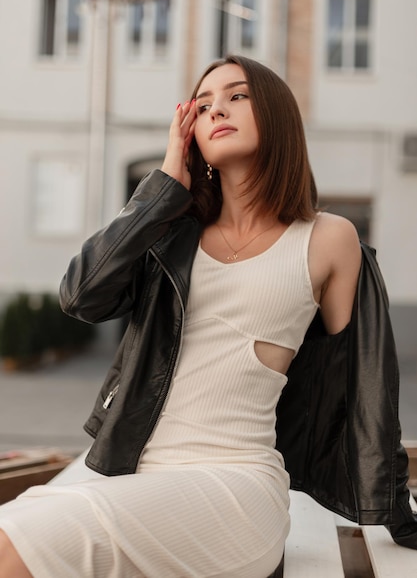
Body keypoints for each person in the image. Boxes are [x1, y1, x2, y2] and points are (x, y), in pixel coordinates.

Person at [0, 55, 415, 578]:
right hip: (136, 482)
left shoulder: (327, 238)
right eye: (202, 105)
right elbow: (81, 296)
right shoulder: (170, 236)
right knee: (24, 523)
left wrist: (398, 513)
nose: (217, 109)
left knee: (22, 534)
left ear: (278, 115)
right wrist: (163, 187)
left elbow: (364, 385)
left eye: (237, 96)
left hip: (235, 489)